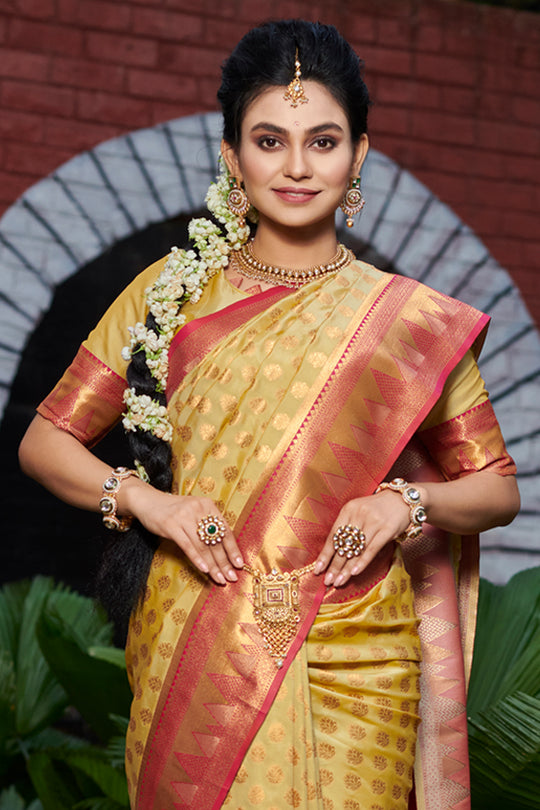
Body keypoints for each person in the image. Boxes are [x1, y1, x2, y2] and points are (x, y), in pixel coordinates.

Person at [19, 19, 519, 810]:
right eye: (269, 141)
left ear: (358, 155)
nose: (296, 166)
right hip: (196, 635)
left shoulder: (408, 320)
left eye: (323, 142)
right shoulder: (169, 293)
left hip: (360, 655)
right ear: (232, 158)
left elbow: (496, 487)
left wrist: (403, 504)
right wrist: (150, 502)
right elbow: (46, 440)